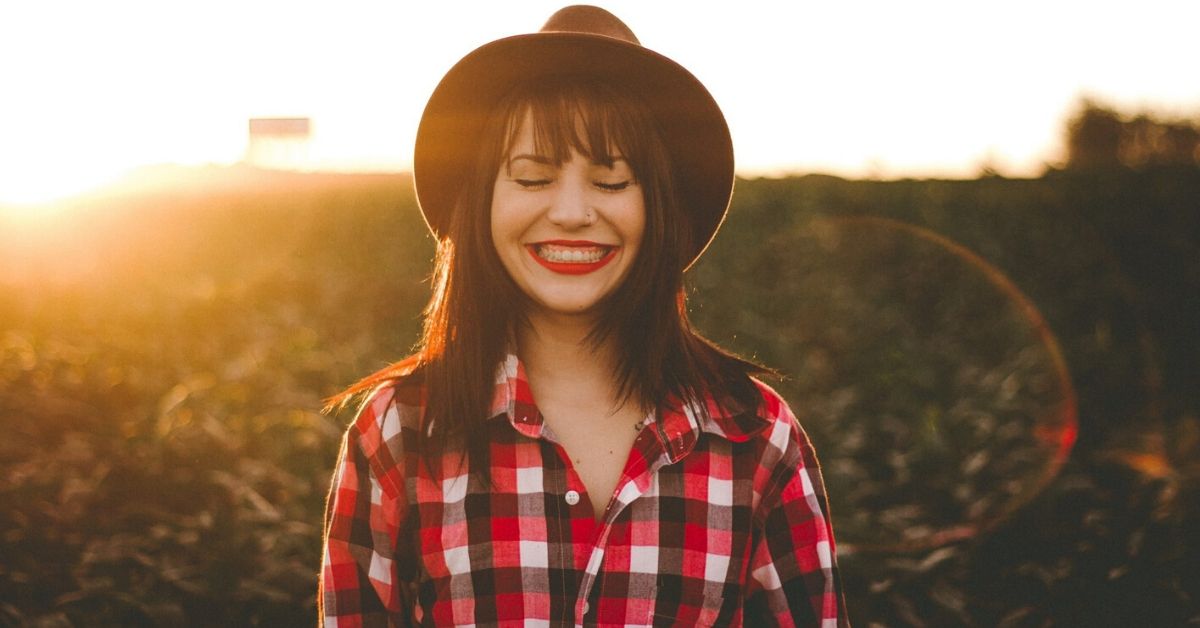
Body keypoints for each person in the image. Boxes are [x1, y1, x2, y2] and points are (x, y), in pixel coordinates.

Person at [319, 5, 846, 626]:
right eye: (534, 177)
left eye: (612, 182)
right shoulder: (400, 432)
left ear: (660, 207)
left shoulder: (755, 436)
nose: (571, 212)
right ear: (481, 201)